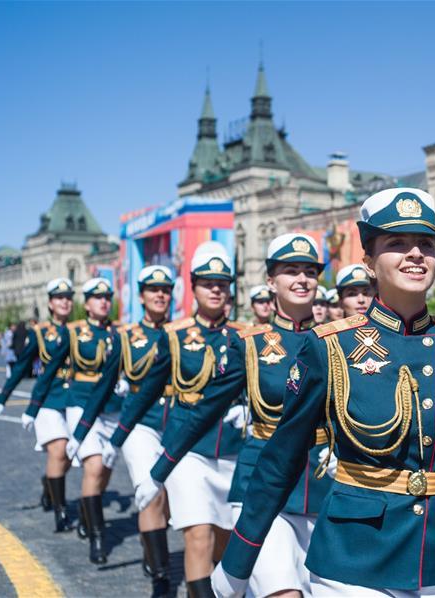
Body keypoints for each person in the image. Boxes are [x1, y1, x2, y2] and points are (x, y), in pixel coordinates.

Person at [212, 187, 435, 597]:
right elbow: (283, 457)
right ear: (369, 261)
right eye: (397, 243)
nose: (416, 254)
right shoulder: (330, 345)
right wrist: (239, 561)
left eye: (426, 243)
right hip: (353, 559)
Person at [142, 233, 332, 598]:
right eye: (290, 271)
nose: (302, 279)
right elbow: (206, 408)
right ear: (270, 281)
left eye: (310, 271)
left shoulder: (339, 342)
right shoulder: (249, 344)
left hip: (323, 488)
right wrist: (159, 471)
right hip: (261, 490)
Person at [104, 242, 246, 596]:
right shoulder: (175, 336)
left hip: (232, 451)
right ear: (194, 286)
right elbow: (148, 391)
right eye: (207, 282)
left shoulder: (247, 336)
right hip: (188, 450)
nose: (216, 289)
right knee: (198, 536)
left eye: (222, 282)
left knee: (224, 544)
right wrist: (116, 439)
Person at [70, 265, 176, 595]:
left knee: (171, 502)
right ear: (142, 296)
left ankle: (151, 553)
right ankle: (161, 576)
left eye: (166, 289)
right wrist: (81, 431)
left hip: (175, 425)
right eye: (153, 289)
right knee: (151, 496)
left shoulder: (183, 334)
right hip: (139, 425)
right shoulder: (127, 338)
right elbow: (103, 387)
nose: (161, 295)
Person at [28, 278, 119, 564]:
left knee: (104, 470)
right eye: (97, 297)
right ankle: (95, 534)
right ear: (87, 303)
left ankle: (84, 513)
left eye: (107, 296)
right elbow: (49, 368)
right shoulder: (73, 332)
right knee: (90, 465)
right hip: (79, 404)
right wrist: (31, 407)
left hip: (113, 408)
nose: (103, 301)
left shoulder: (120, 334)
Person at [0, 278, 75, 530]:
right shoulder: (39, 333)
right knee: (58, 450)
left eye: (68, 297)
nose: (64, 302)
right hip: (47, 400)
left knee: (69, 456)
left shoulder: (78, 331)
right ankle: (60, 512)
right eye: (59, 298)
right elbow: (21, 367)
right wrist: (2, 398)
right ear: (50, 303)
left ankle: (48, 484)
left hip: (73, 399)